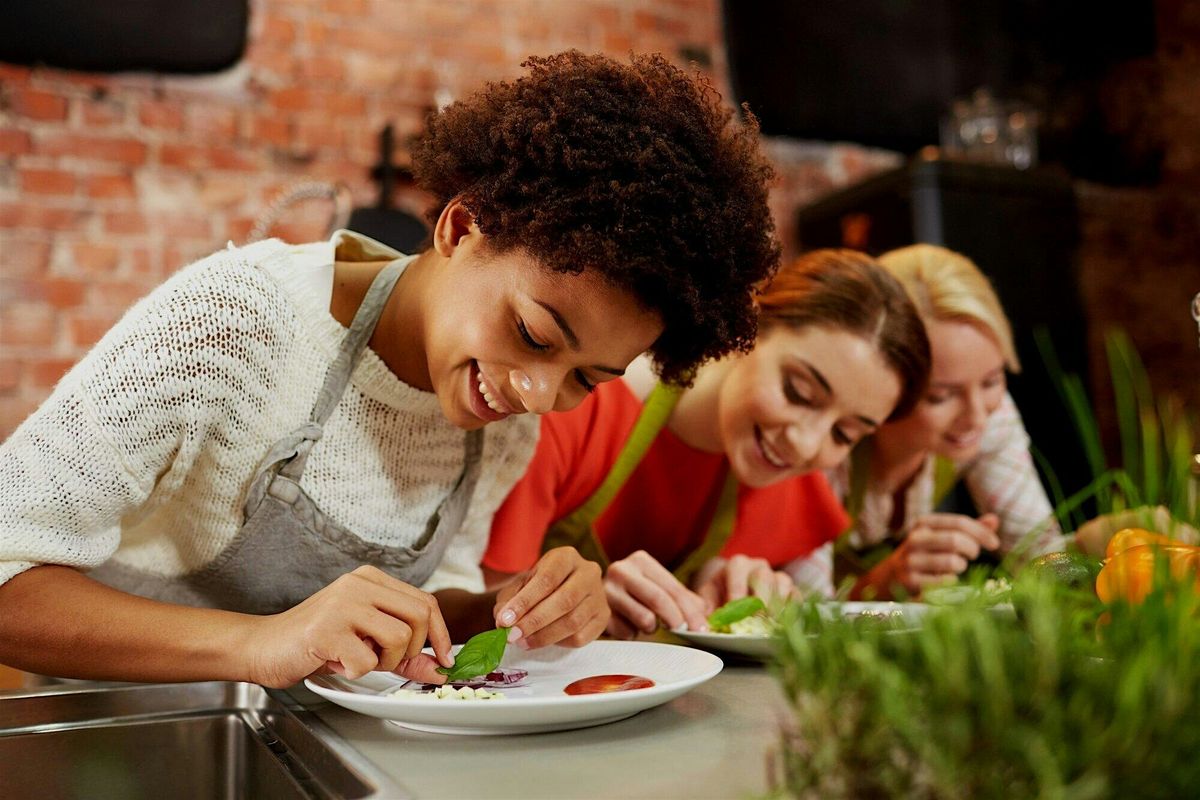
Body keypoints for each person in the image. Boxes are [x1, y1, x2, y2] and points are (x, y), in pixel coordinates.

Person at [0, 51, 780, 686]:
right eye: (534, 334)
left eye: (587, 379)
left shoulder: (500, 424)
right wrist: (262, 644)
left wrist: (505, 608)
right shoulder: (237, 321)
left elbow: (423, 608)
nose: (536, 393)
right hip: (115, 729)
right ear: (462, 225)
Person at [483, 250, 931, 637]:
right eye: (799, 392)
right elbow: (478, 611)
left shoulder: (794, 487)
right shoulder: (577, 407)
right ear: (748, 328)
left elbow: (814, 643)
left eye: (845, 433)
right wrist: (580, 609)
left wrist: (751, 605)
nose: (804, 443)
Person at [795, 244, 1065, 601]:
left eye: (992, 380)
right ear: (884, 387)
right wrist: (885, 581)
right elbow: (798, 617)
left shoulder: (989, 414)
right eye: (940, 396)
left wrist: (1106, 553)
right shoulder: (822, 439)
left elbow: (1039, 554)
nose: (977, 415)